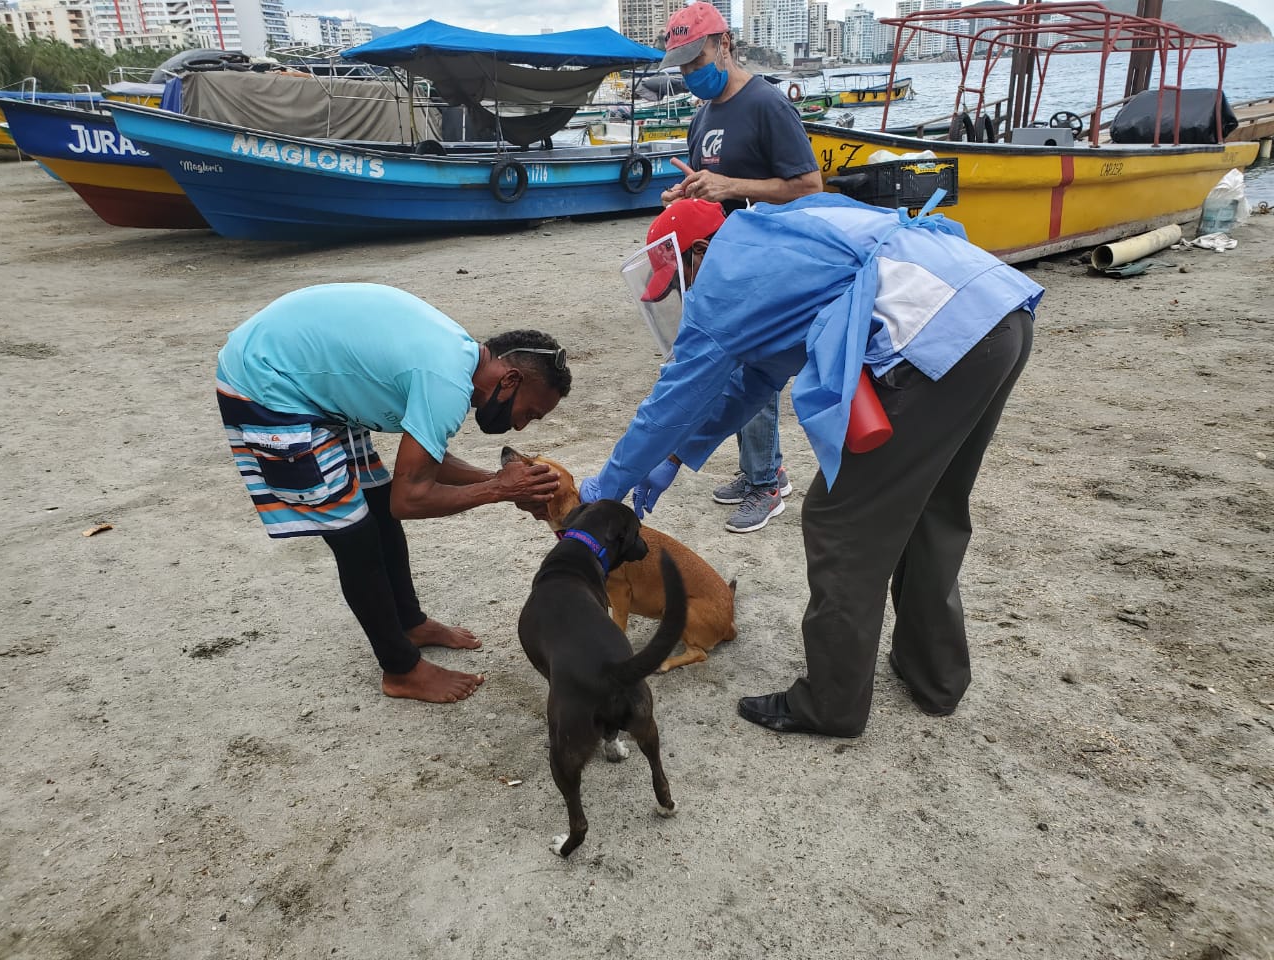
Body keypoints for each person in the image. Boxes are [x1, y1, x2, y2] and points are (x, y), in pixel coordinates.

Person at [578, 193, 1043, 738]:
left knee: (840, 520)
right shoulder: (775, 234)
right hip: (995, 312)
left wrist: (609, 483)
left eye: (684, 279)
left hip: (930, 335)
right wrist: (677, 455)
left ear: (700, 250)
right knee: (932, 506)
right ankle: (933, 674)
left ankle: (831, 703)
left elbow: (672, 398)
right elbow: (755, 381)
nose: (688, 295)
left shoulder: (728, 272)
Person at [215, 283, 569, 704]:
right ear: (510, 378)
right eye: (529, 412)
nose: (521, 427)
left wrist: (498, 482)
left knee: (380, 509)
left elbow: (422, 468)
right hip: (268, 385)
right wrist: (497, 488)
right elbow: (412, 498)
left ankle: (409, 623)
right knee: (354, 536)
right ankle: (400, 670)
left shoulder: (457, 359)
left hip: (311, 386)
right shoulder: (446, 383)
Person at [657, 0, 823, 533]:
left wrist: (732, 187)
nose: (689, 75)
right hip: (724, 261)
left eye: (695, 60)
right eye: (680, 67)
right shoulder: (704, 114)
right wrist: (684, 195)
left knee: (752, 371)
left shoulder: (767, 104)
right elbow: (711, 183)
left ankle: (766, 482)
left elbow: (808, 186)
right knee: (726, 370)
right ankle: (758, 469)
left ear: (723, 45)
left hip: (769, 261)